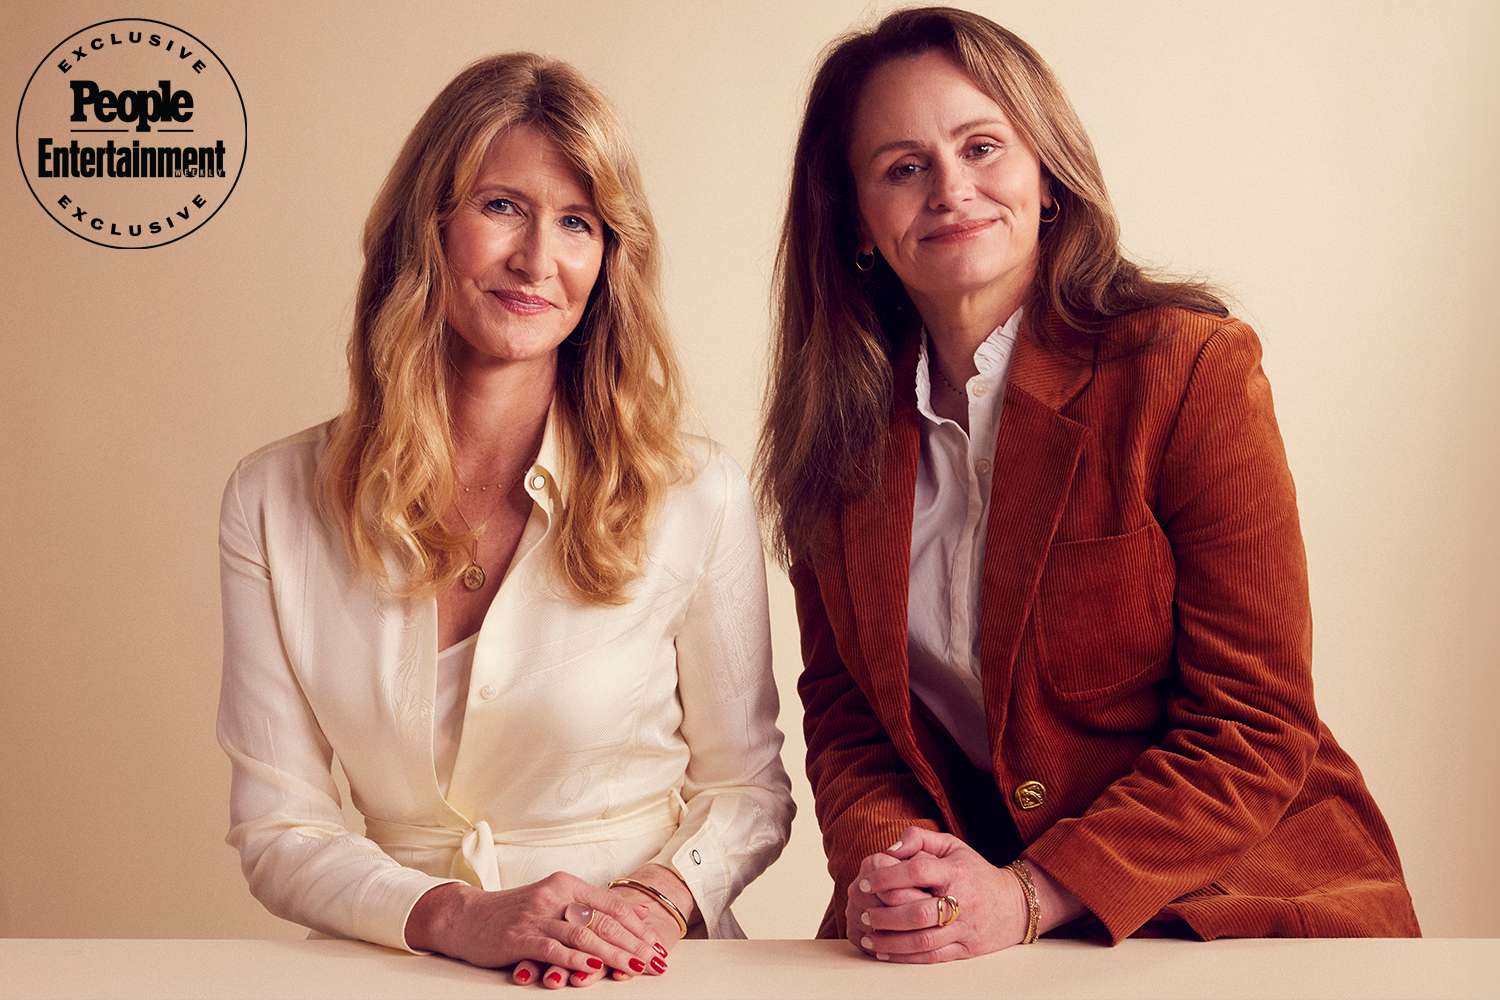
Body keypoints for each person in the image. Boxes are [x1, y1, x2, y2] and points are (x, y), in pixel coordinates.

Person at [756, 6, 1419, 962]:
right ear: (857, 220)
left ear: (1045, 171)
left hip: (1236, 904)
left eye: (983, 146)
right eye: (903, 167)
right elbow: (849, 718)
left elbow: (1256, 725)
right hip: (978, 932)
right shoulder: (833, 434)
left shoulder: (1190, 368)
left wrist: (1029, 893)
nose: (951, 189)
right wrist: (904, 873)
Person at [217, 53, 794, 988]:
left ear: (609, 258)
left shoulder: (694, 490)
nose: (537, 259)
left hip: (637, 966)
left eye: (577, 222)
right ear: (428, 226)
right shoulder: (272, 498)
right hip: (392, 966)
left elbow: (747, 790)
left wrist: (650, 902)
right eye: (500, 207)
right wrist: (454, 917)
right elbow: (280, 827)